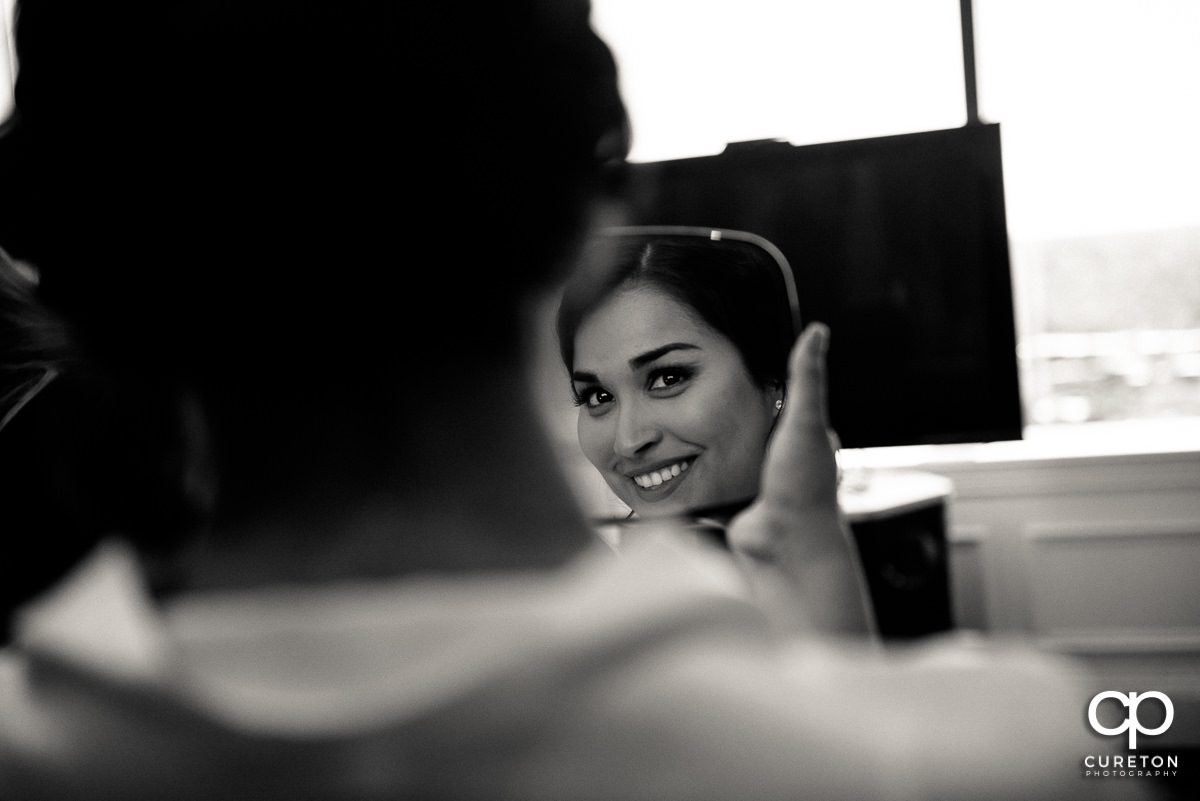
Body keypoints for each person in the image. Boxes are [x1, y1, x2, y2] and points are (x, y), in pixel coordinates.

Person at [0, 1, 1147, 799]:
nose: (632, 428)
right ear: (583, 234)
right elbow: (1111, 759)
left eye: (664, 377)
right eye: (604, 390)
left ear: (79, 287)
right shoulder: (1012, 752)